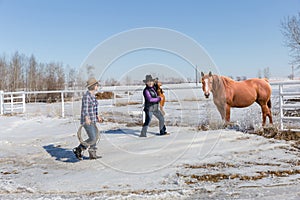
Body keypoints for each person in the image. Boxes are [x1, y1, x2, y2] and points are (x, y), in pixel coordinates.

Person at [73, 77, 103, 160]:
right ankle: (79, 149)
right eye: (96, 85)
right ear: (93, 86)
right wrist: (86, 118)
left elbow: (94, 108)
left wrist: (97, 116)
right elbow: (84, 109)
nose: (97, 86)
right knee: (93, 137)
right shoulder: (87, 96)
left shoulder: (93, 96)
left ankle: (92, 154)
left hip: (92, 119)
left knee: (95, 136)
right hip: (87, 120)